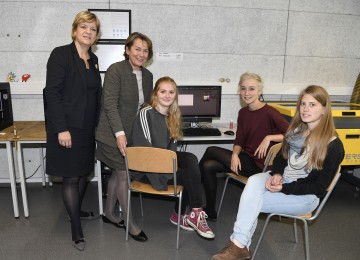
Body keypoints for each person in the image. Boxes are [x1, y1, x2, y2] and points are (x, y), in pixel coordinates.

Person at [212, 85, 345, 260]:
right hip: (284, 181)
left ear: (324, 109)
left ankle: (238, 246)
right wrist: (277, 175)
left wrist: (283, 187)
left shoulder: (333, 145)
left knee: (252, 200)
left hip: (306, 196)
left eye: (312, 105)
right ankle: (240, 245)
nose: (305, 109)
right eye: (303, 104)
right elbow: (281, 159)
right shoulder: (296, 132)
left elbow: (318, 186)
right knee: (253, 181)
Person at [43, 11, 102, 251]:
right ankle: (75, 227)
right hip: (67, 128)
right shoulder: (61, 55)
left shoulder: (94, 59)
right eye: (84, 27)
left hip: (87, 128)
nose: (88, 32)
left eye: (93, 29)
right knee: (70, 177)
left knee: (83, 172)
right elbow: (52, 94)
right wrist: (61, 129)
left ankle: (74, 210)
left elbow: (93, 94)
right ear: (74, 30)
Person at [131, 76, 215, 239]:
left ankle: (194, 212)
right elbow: (146, 153)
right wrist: (169, 169)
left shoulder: (173, 116)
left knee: (191, 159)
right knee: (191, 176)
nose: (167, 95)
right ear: (156, 93)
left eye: (171, 92)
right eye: (163, 91)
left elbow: (171, 151)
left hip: (163, 165)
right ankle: (185, 214)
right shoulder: (146, 113)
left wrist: (170, 167)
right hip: (146, 171)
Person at [199, 72, 289, 221]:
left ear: (260, 91)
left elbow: (294, 134)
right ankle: (210, 211)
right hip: (246, 159)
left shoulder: (270, 112)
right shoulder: (243, 112)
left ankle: (192, 188)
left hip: (260, 166)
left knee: (210, 150)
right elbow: (240, 139)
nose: (247, 93)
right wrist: (234, 155)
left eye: (252, 89)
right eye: (243, 88)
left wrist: (270, 137)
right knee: (208, 166)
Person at [95, 32, 153, 242]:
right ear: (127, 50)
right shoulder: (116, 70)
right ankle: (129, 222)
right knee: (123, 175)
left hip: (130, 135)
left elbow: (146, 107)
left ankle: (110, 214)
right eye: (137, 49)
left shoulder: (147, 76)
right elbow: (109, 104)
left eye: (145, 50)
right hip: (111, 134)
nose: (141, 53)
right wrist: (120, 134)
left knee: (115, 173)